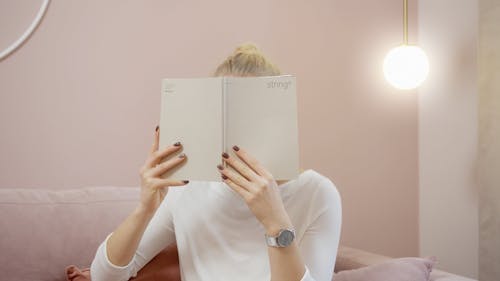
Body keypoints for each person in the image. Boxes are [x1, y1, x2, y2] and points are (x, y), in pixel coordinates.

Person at [90, 43, 342, 281]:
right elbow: (103, 277)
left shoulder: (317, 192)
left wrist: (275, 223)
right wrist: (144, 209)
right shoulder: (188, 187)